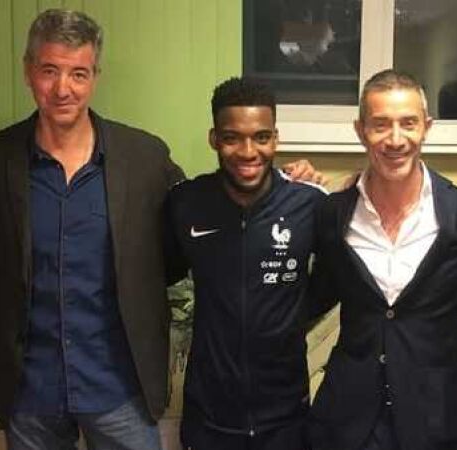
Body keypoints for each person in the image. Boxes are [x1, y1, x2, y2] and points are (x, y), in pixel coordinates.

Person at [0, 9, 321, 450]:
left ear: (95, 76)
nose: (63, 88)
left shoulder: (145, 157)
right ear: (28, 71)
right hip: (30, 390)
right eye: (49, 70)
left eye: (78, 73)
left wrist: (284, 184)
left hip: (120, 387)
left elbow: (211, 209)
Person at [308, 69, 457, 450]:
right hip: (350, 423)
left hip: (436, 421)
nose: (395, 139)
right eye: (380, 125)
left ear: (426, 127)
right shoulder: (333, 214)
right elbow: (312, 299)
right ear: (360, 131)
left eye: (408, 123)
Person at [165, 77, 326, 450]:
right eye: (232, 138)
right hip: (210, 415)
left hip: (286, 416)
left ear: (276, 139)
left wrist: (290, 318)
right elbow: (163, 272)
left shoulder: (309, 203)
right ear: (214, 139)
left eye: (261, 137)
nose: (248, 151)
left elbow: (332, 281)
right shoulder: (185, 203)